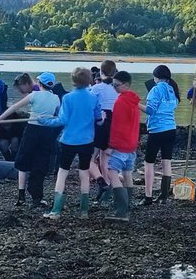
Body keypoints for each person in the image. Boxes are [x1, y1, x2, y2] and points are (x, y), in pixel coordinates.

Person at [0, 72, 60, 207]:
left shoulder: (34, 95)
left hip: (32, 131)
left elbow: (14, 107)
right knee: (40, 163)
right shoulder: (56, 98)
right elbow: (57, 115)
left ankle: (21, 195)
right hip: (46, 133)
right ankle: (37, 197)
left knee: (23, 162)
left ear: (40, 83)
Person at [37, 67, 101, 219]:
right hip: (87, 141)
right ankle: (84, 211)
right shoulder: (93, 98)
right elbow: (98, 119)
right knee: (84, 174)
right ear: (89, 81)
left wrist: (44, 121)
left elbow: (62, 120)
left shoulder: (67, 98)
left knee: (62, 173)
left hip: (68, 141)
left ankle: (56, 210)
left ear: (73, 81)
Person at [104, 70, 141, 222]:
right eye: (113, 85)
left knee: (112, 173)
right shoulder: (135, 100)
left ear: (126, 85)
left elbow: (117, 127)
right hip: (132, 144)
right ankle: (127, 206)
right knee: (127, 174)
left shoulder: (120, 102)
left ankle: (122, 210)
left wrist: (110, 146)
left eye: (116, 85)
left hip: (121, 145)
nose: (114, 88)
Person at [142, 64, 180, 204]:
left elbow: (150, 110)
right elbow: (173, 106)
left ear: (156, 77)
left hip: (157, 130)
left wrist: (135, 104)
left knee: (149, 163)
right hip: (171, 129)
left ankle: (148, 196)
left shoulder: (155, 89)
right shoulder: (172, 89)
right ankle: (164, 196)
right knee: (166, 162)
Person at [89, 59, 119, 199]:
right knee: (105, 157)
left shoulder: (96, 88)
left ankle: (101, 182)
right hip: (114, 123)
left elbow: (90, 106)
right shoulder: (118, 88)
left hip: (100, 122)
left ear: (101, 72)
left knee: (91, 157)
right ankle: (106, 186)